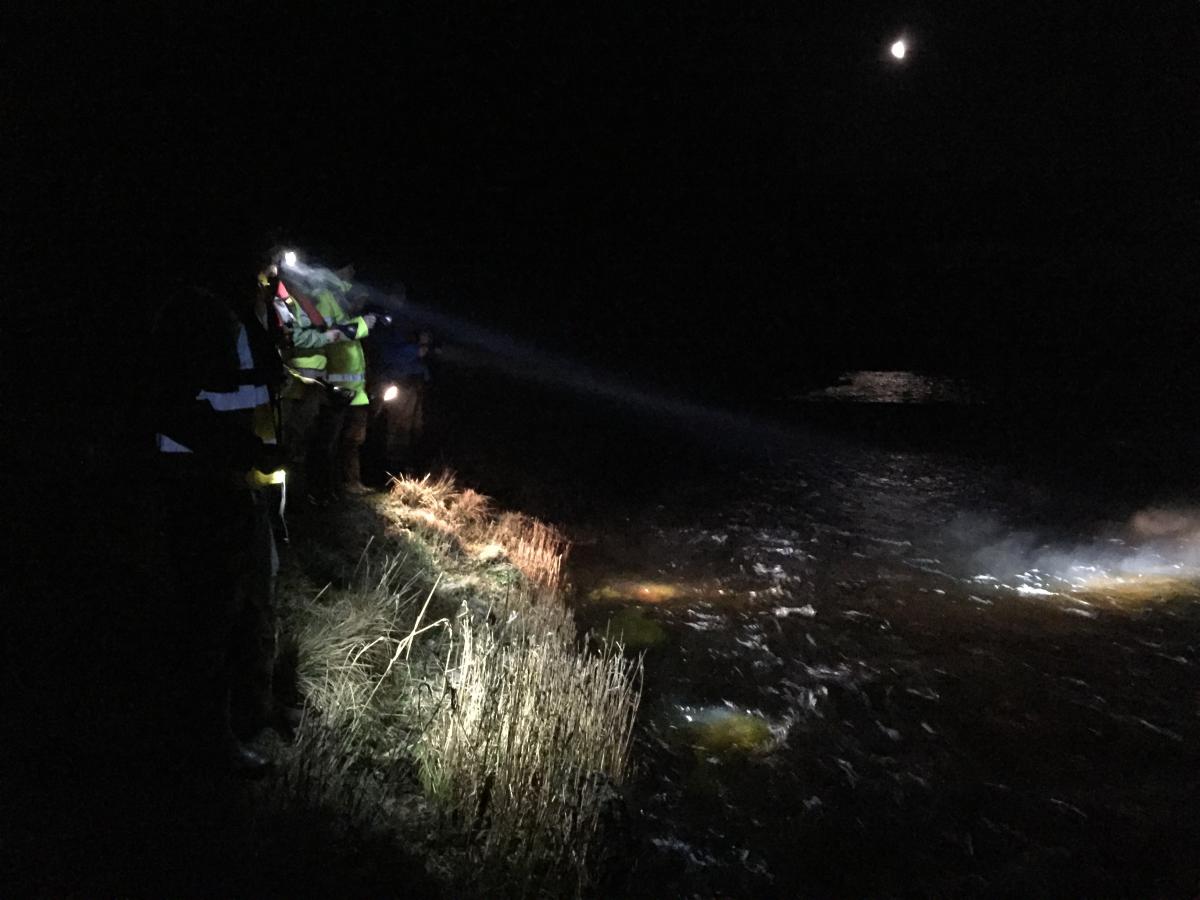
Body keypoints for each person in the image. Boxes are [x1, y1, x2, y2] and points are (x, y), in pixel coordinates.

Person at [151, 283, 294, 772]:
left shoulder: (214, 310)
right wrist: (252, 451)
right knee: (208, 623)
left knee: (230, 613)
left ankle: (232, 723)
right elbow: (186, 415)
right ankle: (207, 745)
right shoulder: (194, 314)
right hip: (200, 493)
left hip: (223, 489)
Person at [320, 284, 378, 496]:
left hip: (356, 394)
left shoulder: (350, 323)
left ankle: (351, 482)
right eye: (358, 299)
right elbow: (335, 334)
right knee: (334, 442)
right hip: (338, 394)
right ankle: (334, 484)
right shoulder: (338, 321)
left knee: (353, 441)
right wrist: (362, 324)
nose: (360, 304)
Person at [365, 329, 432, 481]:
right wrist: (417, 349)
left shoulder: (418, 327)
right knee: (397, 427)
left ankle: (408, 469)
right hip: (399, 384)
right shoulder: (397, 327)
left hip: (417, 385)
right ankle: (392, 471)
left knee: (415, 428)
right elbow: (387, 353)